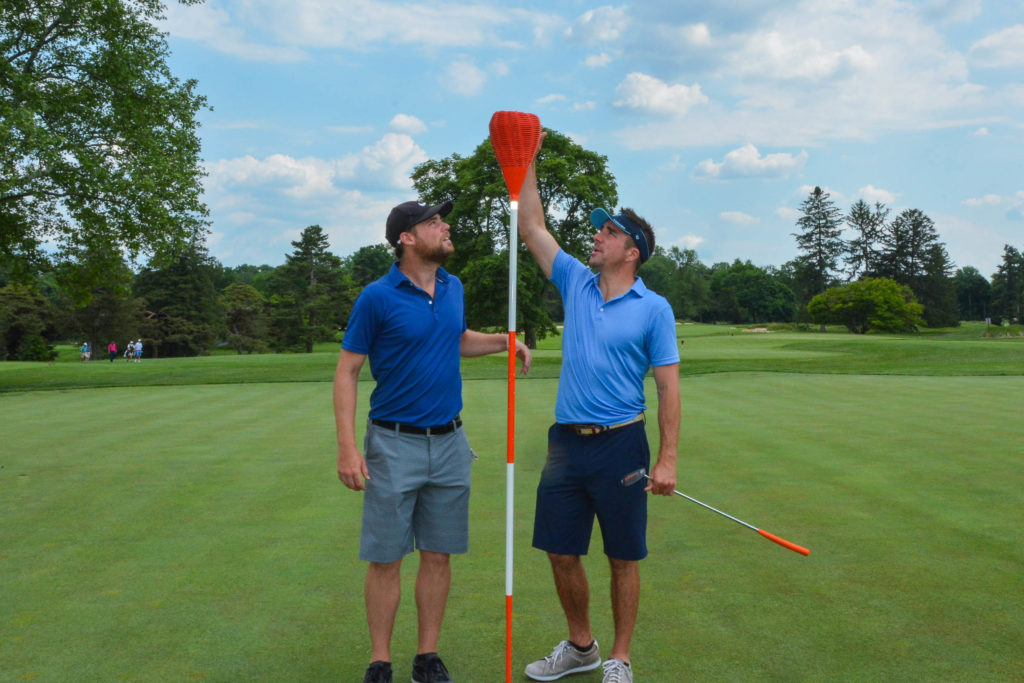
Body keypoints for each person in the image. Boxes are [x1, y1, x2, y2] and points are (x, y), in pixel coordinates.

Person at [334, 199, 532, 683]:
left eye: (443, 219)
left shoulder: (453, 286)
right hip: (393, 442)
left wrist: (505, 341)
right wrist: (347, 447)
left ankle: (428, 656)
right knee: (385, 557)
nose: (445, 226)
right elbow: (348, 370)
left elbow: (456, 339)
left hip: (449, 442)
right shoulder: (377, 297)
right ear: (406, 238)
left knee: (438, 554)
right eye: (433, 222)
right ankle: (380, 661)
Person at [517, 134, 681, 683]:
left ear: (632, 251)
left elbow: (667, 388)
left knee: (622, 557)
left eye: (609, 231)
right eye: (600, 228)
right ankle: (582, 646)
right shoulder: (576, 282)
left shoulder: (654, 309)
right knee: (561, 552)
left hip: (621, 445)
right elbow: (533, 228)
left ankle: (620, 656)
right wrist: (528, 161)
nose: (598, 235)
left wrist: (668, 459)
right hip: (566, 444)